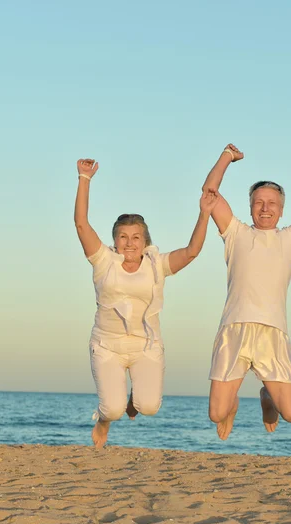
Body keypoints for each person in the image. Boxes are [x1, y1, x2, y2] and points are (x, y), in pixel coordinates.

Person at [74, 158, 218, 449]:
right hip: (107, 346)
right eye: (123, 237)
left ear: (145, 241)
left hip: (146, 346)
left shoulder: (157, 264)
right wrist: (84, 178)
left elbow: (191, 252)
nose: (130, 243)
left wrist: (204, 214)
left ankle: (134, 398)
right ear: (115, 242)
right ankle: (103, 422)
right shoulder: (104, 261)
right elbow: (81, 223)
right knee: (112, 410)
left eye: (136, 237)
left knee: (148, 405)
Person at [203, 144, 291, 440]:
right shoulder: (236, 233)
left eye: (272, 203)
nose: (265, 208)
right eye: (258, 202)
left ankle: (267, 397)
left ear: (281, 209)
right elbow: (209, 193)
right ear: (250, 207)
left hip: (272, 333)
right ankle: (233, 405)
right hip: (234, 330)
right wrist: (226, 156)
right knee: (216, 414)